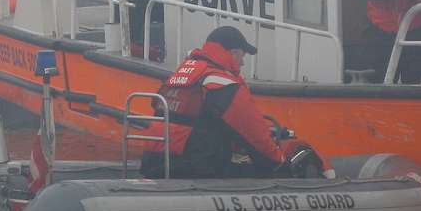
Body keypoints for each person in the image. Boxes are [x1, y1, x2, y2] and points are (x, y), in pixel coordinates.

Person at [139, 26, 327, 179]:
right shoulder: (224, 84)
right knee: (275, 169)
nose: (243, 63)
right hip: (195, 168)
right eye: (242, 56)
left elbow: (201, 122)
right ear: (233, 52)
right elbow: (256, 136)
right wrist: (281, 163)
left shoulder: (185, 73)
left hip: (155, 160)